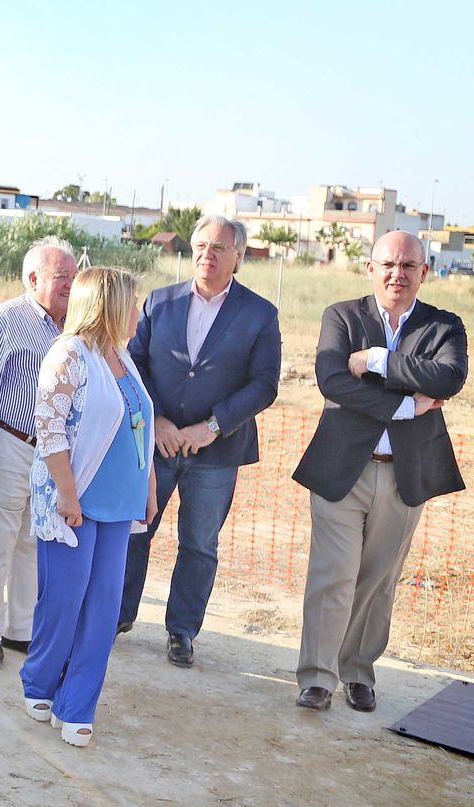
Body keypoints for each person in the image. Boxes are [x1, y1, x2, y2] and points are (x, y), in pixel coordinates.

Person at [292, 231, 467, 712]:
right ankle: (318, 677)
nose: (398, 273)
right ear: (370, 268)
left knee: (378, 580)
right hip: (341, 471)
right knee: (334, 574)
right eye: (388, 264)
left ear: (424, 273)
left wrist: (375, 361)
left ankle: (357, 672)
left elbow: (448, 377)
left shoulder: (444, 325)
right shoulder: (342, 317)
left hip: (404, 475)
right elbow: (332, 381)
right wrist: (409, 407)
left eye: (409, 265)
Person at [119, 215, 281, 668]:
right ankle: (119, 615)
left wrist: (211, 426)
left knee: (199, 544)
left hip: (216, 451)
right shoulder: (159, 302)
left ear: (239, 257)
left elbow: (265, 384)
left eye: (220, 248)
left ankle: (181, 630)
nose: (208, 255)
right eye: (202, 246)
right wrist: (159, 422)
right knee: (135, 529)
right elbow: (134, 366)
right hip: (158, 444)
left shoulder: (259, 314)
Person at [20, 267, 157, 748]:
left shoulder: (123, 356)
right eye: (133, 301)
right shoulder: (68, 354)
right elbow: (51, 430)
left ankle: (76, 705)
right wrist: (67, 491)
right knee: (64, 599)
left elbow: (142, 425)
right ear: (111, 305)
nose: (140, 311)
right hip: (73, 502)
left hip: (119, 504)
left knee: (103, 607)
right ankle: (40, 681)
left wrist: (149, 487)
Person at [0, 237, 75, 668]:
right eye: (62, 277)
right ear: (33, 277)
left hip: (49, 454)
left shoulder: (73, 327)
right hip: (3, 444)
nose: (69, 286)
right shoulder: (3, 321)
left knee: (32, 543)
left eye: (74, 278)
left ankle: (20, 630)